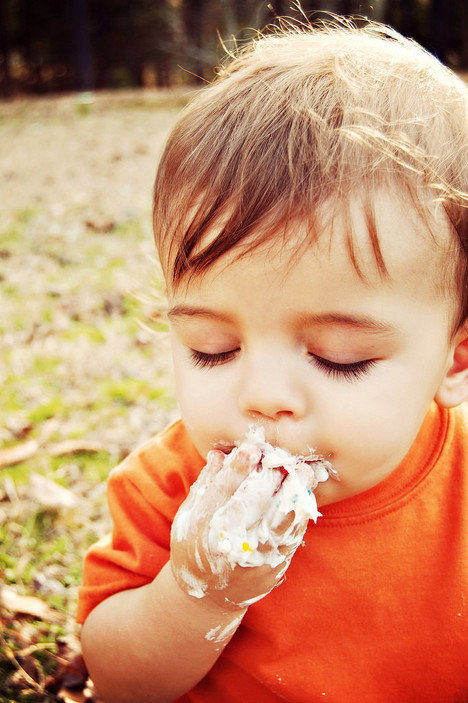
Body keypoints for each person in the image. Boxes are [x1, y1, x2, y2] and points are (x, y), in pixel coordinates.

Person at [77, 15, 468, 703]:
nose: (262, 396)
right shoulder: (164, 488)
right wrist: (196, 594)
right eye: (212, 349)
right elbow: (119, 682)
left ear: (455, 358)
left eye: (340, 358)